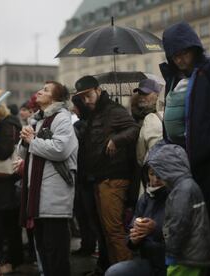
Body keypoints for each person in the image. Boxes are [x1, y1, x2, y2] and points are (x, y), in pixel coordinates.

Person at [160, 21, 210, 275]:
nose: (179, 59)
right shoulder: (176, 79)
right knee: (197, 227)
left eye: (183, 52)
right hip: (189, 168)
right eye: (174, 55)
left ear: (194, 47)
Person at [74, 75, 139, 269]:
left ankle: (125, 271)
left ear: (98, 90)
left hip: (113, 178)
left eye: (89, 95)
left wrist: (116, 140)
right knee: (107, 232)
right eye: (82, 97)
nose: (86, 100)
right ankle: (115, 270)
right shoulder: (95, 112)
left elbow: (134, 129)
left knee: (114, 231)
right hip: (100, 179)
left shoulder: (113, 110)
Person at [19, 81, 78, 276]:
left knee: (56, 255)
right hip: (38, 198)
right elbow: (24, 153)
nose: (39, 91)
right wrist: (25, 138)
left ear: (55, 97)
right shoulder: (37, 120)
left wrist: (32, 141)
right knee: (43, 252)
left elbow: (60, 150)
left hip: (54, 198)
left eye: (45, 90)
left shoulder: (62, 118)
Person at [105, 143, 168, 276]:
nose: (155, 180)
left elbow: (182, 239)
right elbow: (130, 238)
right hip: (150, 261)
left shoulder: (177, 197)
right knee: (114, 272)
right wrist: (134, 238)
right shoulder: (146, 198)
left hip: (170, 261)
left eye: (160, 175)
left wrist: (155, 229)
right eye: (151, 174)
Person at [152, 144, 210, 276]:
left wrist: (171, 253)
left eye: (160, 172)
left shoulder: (182, 191)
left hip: (186, 258)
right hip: (196, 254)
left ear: (168, 169)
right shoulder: (188, 185)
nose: (158, 177)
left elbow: (179, 224)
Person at [0, 103, 24, 274]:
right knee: (8, 224)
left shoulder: (7, 125)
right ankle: (11, 259)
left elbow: (3, 152)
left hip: (6, 185)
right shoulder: (8, 124)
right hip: (5, 184)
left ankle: (11, 261)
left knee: (8, 225)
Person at [70, 94, 97, 257]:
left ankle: (89, 245)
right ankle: (87, 245)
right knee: (82, 213)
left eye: (75, 106)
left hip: (87, 176)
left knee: (87, 214)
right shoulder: (82, 123)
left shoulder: (84, 125)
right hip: (83, 176)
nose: (73, 109)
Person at [133, 79, 164, 166]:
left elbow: (140, 156)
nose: (142, 97)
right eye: (140, 93)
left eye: (146, 93)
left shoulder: (162, 114)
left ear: (157, 94)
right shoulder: (134, 115)